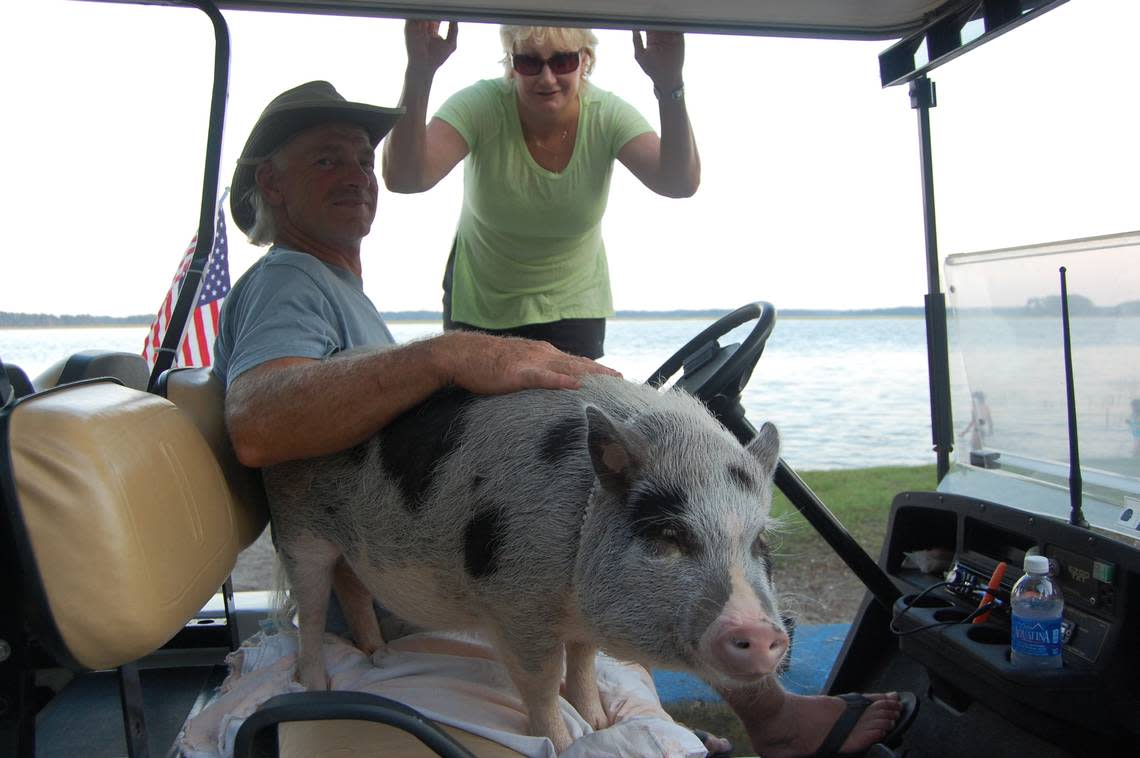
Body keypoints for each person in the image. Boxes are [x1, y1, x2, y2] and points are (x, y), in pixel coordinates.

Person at [215, 80, 909, 758]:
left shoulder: (334, 286)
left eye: (365, 160)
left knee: (617, 540)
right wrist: (452, 355)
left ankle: (732, 719)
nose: (359, 176)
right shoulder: (289, 280)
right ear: (272, 185)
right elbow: (257, 421)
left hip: (405, 555)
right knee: (590, 546)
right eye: (328, 159)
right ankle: (741, 723)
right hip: (402, 567)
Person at [382, 21, 701, 359]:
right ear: (511, 65)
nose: (547, 78)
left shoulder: (607, 115)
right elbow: (405, 178)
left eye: (562, 61)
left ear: (585, 61)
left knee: (568, 412)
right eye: (529, 63)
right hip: (482, 303)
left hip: (574, 305)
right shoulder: (481, 105)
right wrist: (419, 72)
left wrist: (669, 84)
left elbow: (679, 182)